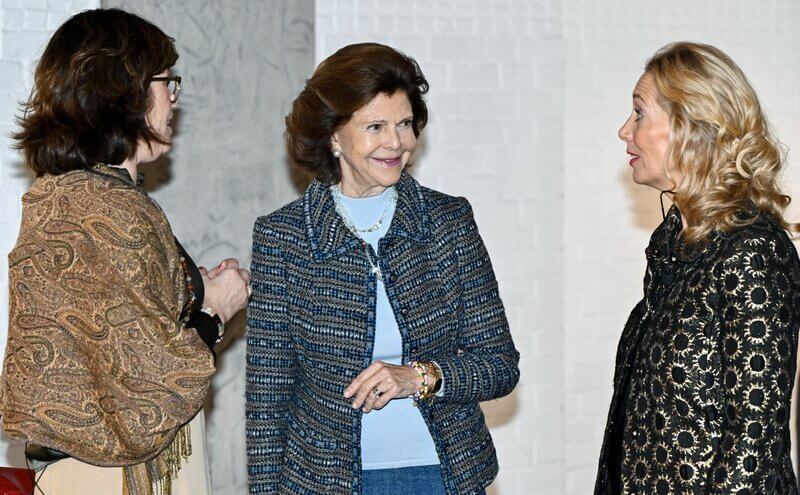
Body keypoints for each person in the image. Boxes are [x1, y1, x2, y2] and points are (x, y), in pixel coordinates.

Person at [246, 42, 520, 495]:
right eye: (375, 126)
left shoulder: (448, 222)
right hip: (323, 482)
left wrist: (417, 377)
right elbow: (267, 396)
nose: (396, 142)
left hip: (443, 475)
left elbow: (499, 366)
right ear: (334, 136)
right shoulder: (284, 236)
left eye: (405, 124)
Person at [0, 9, 250, 495]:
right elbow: (148, 391)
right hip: (116, 478)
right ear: (127, 89)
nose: (174, 99)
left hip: (78, 470)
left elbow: (119, 335)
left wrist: (187, 289)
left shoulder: (64, 195)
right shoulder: (112, 210)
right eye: (166, 82)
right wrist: (216, 309)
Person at [595, 41, 800, 494]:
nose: (624, 131)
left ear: (692, 127)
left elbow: (753, 438)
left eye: (639, 113)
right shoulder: (673, 247)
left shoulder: (752, 251)